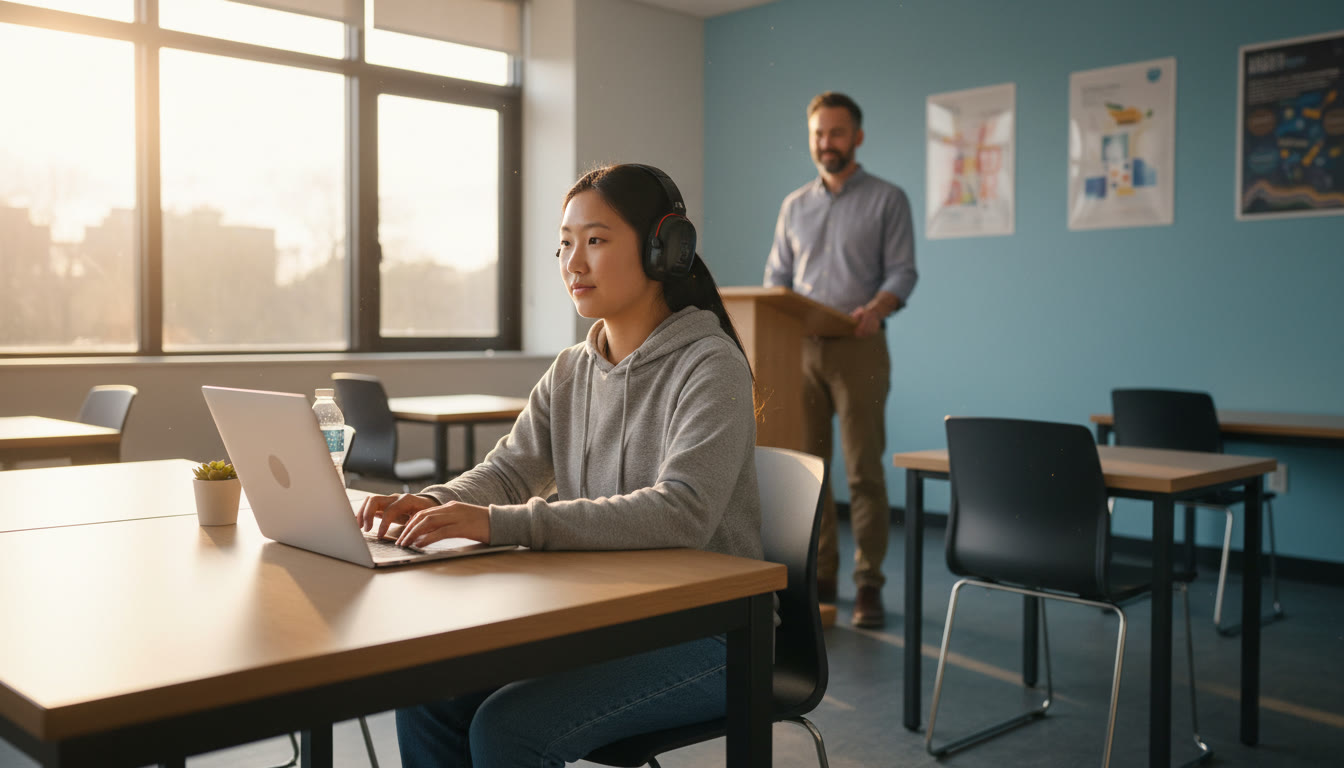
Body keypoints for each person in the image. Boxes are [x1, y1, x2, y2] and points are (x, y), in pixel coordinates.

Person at [355, 163, 761, 768]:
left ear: (664, 251)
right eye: (565, 244)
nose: (573, 263)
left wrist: (500, 524)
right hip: (609, 615)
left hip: (711, 633)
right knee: (428, 692)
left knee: (507, 730)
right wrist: (437, 502)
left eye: (595, 241)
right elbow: (509, 471)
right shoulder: (572, 368)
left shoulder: (710, 365)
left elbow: (684, 512)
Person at [764, 91, 917, 629]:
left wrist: (877, 307)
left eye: (836, 133)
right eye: (818, 134)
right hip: (801, 349)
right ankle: (821, 573)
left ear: (857, 137)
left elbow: (903, 272)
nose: (826, 143)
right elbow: (776, 280)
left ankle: (868, 582)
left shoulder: (887, 199)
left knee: (862, 468)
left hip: (860, 346)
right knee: (811, 470)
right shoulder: (793, 207)